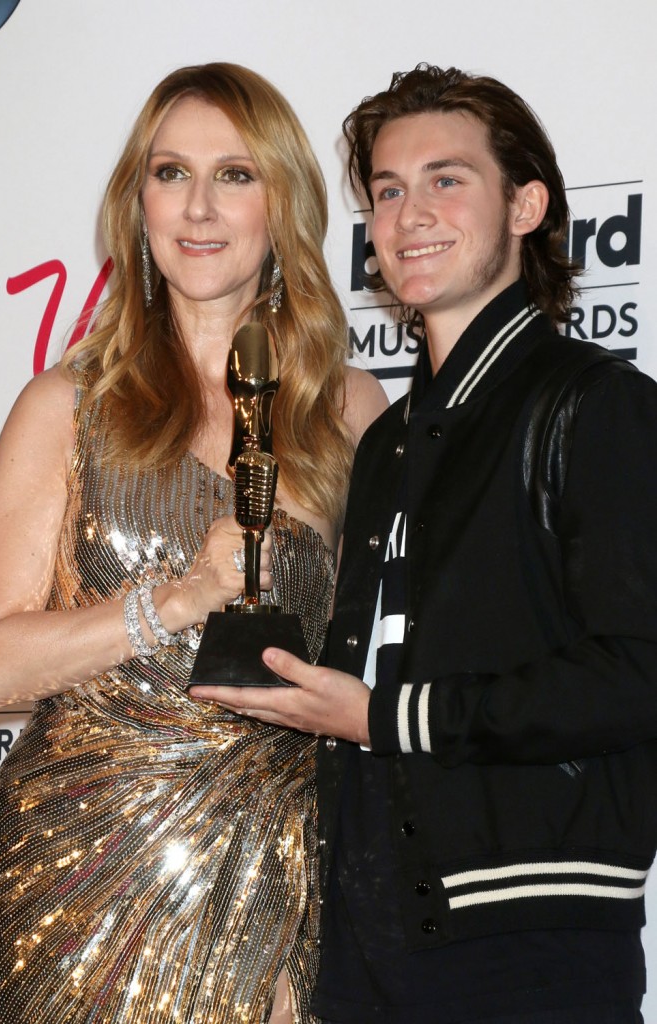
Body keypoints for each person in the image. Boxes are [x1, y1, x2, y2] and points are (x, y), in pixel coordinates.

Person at [199, 64, 657, 1023]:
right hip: (367, 941)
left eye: (448, 181)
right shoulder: (388, 441)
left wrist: (388, 718)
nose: (410, 216)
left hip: (528, 936)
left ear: (527, 205)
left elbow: (638, 672)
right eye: (390, 192)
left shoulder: (596, 404)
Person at [0, 63, 387, 1023]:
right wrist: (166, 603)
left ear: (283, 201)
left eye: (236, 175)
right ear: (138, 201)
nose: (199, 206)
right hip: (70, 888)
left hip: (278, 880)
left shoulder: (353, 414)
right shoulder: (66, 408)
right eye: (171, 172)